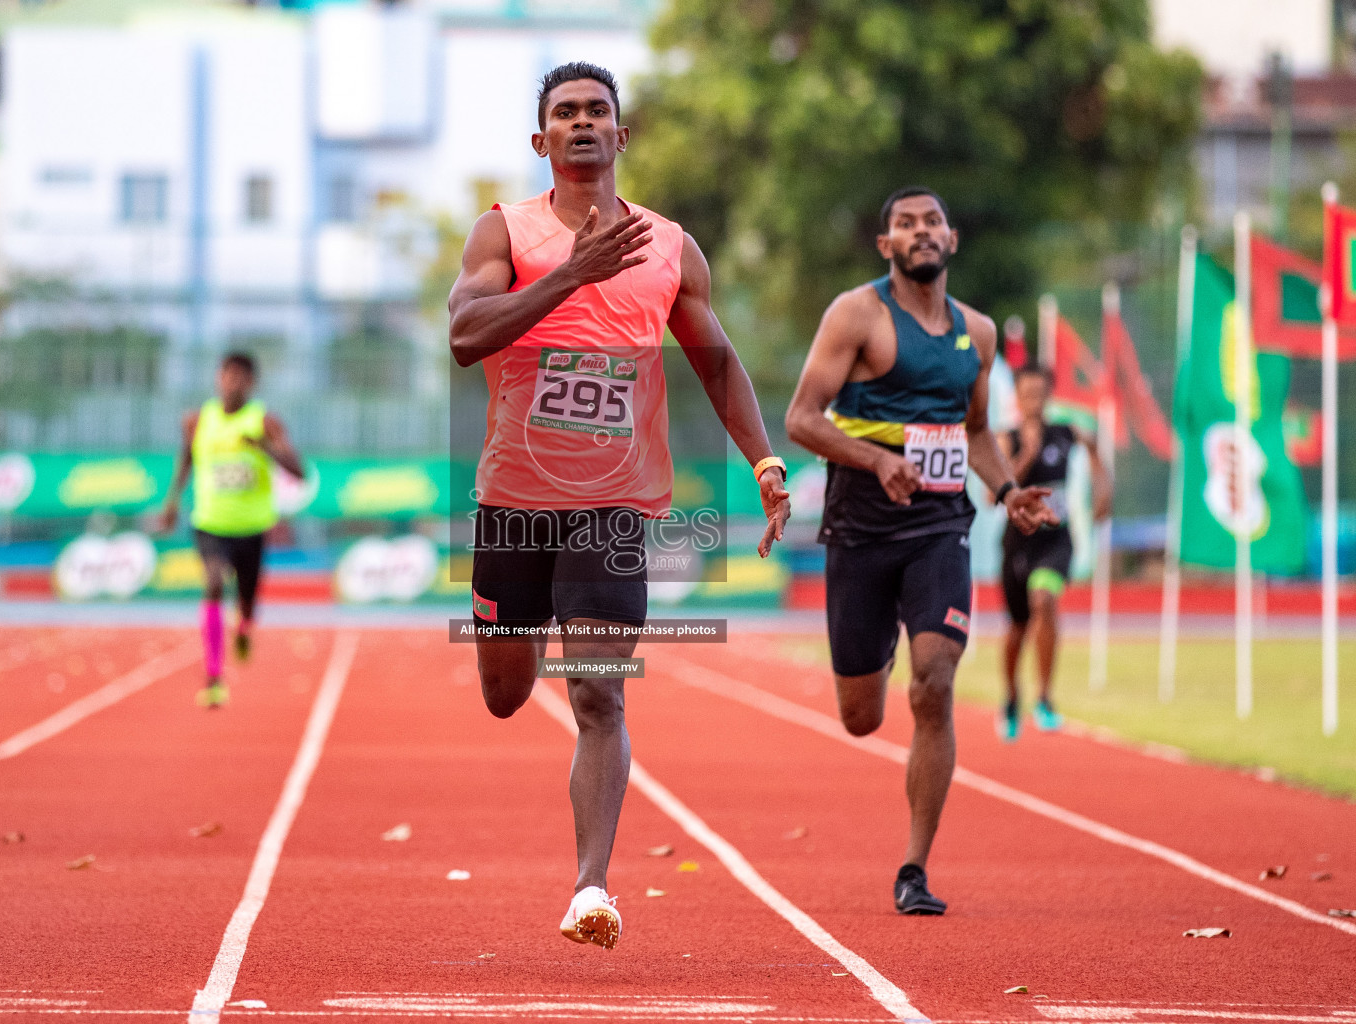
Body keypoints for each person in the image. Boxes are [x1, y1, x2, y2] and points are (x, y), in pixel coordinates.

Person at [447, 62, 791, 949]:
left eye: (599, 110)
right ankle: (509, 654)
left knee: (599, 692)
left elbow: (716, 363)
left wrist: (762, 461)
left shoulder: (671, 247)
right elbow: (464, 337)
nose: (584, 123)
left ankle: (590, 889)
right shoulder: (504, 232)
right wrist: (568, 275)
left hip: (617, 503)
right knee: (504, 692)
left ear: (620, 134)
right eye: (566, 113)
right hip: (515, 500)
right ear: (543, 141)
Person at [784, 187, 1055, 916]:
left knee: (933, 683)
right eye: (905, 224)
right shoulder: (857, 315)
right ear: (887, 246)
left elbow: (973, 434)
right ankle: (879, 646)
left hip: (940, 528)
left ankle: (914, 869)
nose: (920, 232)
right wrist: (875, 461)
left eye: (931, 222)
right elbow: (802, 418)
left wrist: (1005, 493)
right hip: (862, 530)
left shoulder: (979, 333)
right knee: (862, 715)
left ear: (952, 239)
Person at [159, 352, 304, 708]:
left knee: (247, 603)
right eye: (226, 374)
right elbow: (187, 459)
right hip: (209, 523)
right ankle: (213, 677)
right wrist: (172, 502)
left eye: (240, 376)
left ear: (251, 383)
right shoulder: (197, 420)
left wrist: (264, 447)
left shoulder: (265, 421)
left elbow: (299, 471)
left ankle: (243, 628)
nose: (231, 381)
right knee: (212, 583)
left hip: (252, 527)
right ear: (217, 377)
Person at [996, 364, 1111, 740]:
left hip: (1055, 539)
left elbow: (1095, 450)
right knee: (1018, 626)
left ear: (1048, 394)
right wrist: (1027, 454)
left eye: (1040, 393)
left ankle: (1044, 697)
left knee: (1044, 601)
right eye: (1026, 393)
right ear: (1017, 396)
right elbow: (990, 493)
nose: (1033, 400)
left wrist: (1103, 490)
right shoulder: (1006, 438)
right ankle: (1012, 696)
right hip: (1017, 543)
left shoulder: (1065, 433)